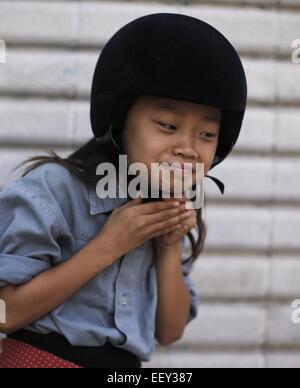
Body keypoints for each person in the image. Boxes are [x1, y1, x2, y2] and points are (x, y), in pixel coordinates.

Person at [0, 13, 247, 368]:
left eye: (207, 134)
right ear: (119, 121)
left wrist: (168, 246)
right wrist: (109, 245)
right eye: (168, 125)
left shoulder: (174, 208)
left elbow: (170, 331)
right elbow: (6, 314)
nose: (188, 147)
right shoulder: (53, 190)